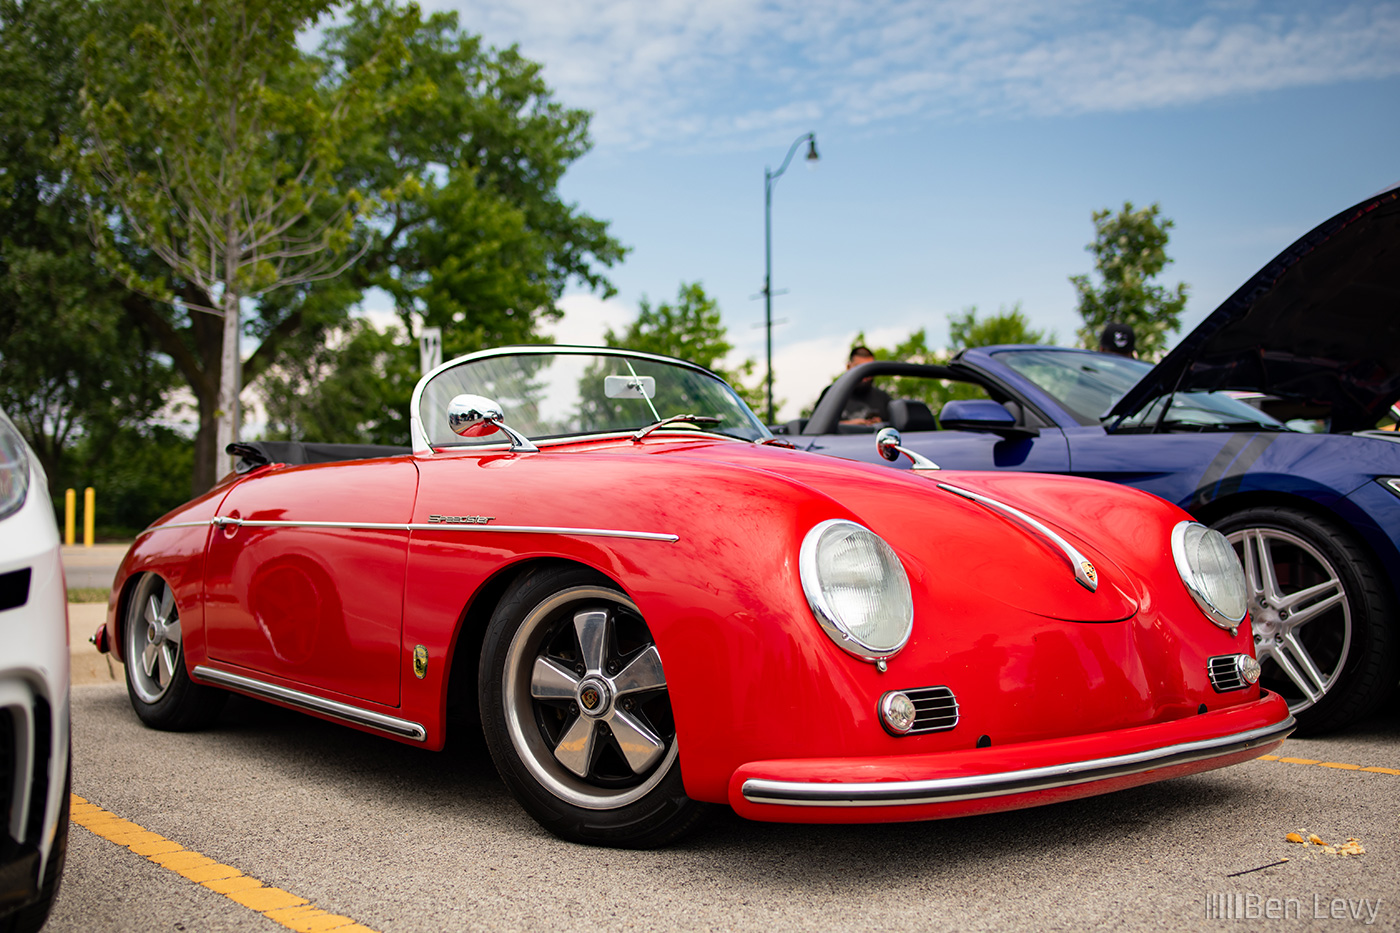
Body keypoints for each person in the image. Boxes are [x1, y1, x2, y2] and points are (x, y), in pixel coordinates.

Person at [815, 346, 891, 424]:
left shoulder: (883, 398)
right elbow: (815, 426)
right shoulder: (831, 394)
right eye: (859, 368)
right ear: (848, 367)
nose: (865, 375)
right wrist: (851, 426)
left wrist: (879, 425)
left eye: (869, 369)